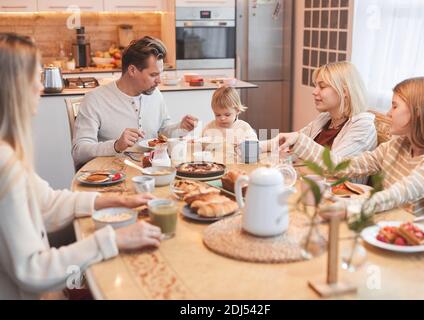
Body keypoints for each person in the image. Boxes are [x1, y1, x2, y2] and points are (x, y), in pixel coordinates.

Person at [0, 33, 162, 300]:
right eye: (34, 80)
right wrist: (115, 239)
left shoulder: (9, 154)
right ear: (13, 88)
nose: (40, 88)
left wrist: (113, 200)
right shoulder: (5, 166)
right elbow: (32, 270)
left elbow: (48, 203)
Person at [277, 77, 424, 217]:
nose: (388, 113)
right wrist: (300, 141)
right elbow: (342, 166)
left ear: (418, 112)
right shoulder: (397, 145)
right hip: (392, 227)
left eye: (395, 106)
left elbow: (400, 193)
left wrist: (349, 209)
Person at [72, 36, 198, 168]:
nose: (159, 81)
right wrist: (116, 145)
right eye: (153, 75)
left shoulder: (155, 94)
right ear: (132, 70)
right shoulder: (95, 99)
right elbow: (79, 152)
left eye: (160, 74)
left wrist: (181, 128)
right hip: (112, 177)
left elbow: (163, 131)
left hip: (153, 172)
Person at [262, 61, 377, 164]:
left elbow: (336, 165)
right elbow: (289, 142)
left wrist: (298, 140)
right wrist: (249, 147)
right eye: (315, 86)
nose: (314, 92)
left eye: (322, 87)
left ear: (344, 91)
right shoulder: (325, 119)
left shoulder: (363, 125)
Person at [201, 86, 257, 159]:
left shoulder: (244, 127)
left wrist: (244, 144)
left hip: (238, 165)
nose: (222, 118)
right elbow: (202, 148)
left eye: (227, 115)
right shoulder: (209, 127)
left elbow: (255, 147)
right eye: (217, 115)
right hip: (214, 164)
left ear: (237, 110)